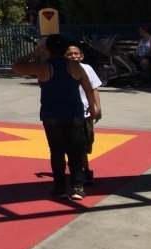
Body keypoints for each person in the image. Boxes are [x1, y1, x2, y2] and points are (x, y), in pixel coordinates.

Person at [12, 34, 100, 200]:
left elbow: (17, 66)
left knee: (56, 151)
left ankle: (60, 187)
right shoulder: (75, 66)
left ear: (48, 50)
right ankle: (78, 187)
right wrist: (93, 108)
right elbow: (88, 88)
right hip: (74, 113)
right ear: (65, 49)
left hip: (51, 114)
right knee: (75, 151)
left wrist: (35, 52)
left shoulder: (43, 66)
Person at [65, 42, 103, 185]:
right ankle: (78, 172)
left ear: (81, 56)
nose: (73, 56)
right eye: (69, 54)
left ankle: (85, 169)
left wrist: (97, 108)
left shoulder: (87, 69)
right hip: (69, 113)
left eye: (76, 54)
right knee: (72, 145)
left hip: (85, 112)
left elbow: (93, 89)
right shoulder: (63, 70)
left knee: (84, 144)